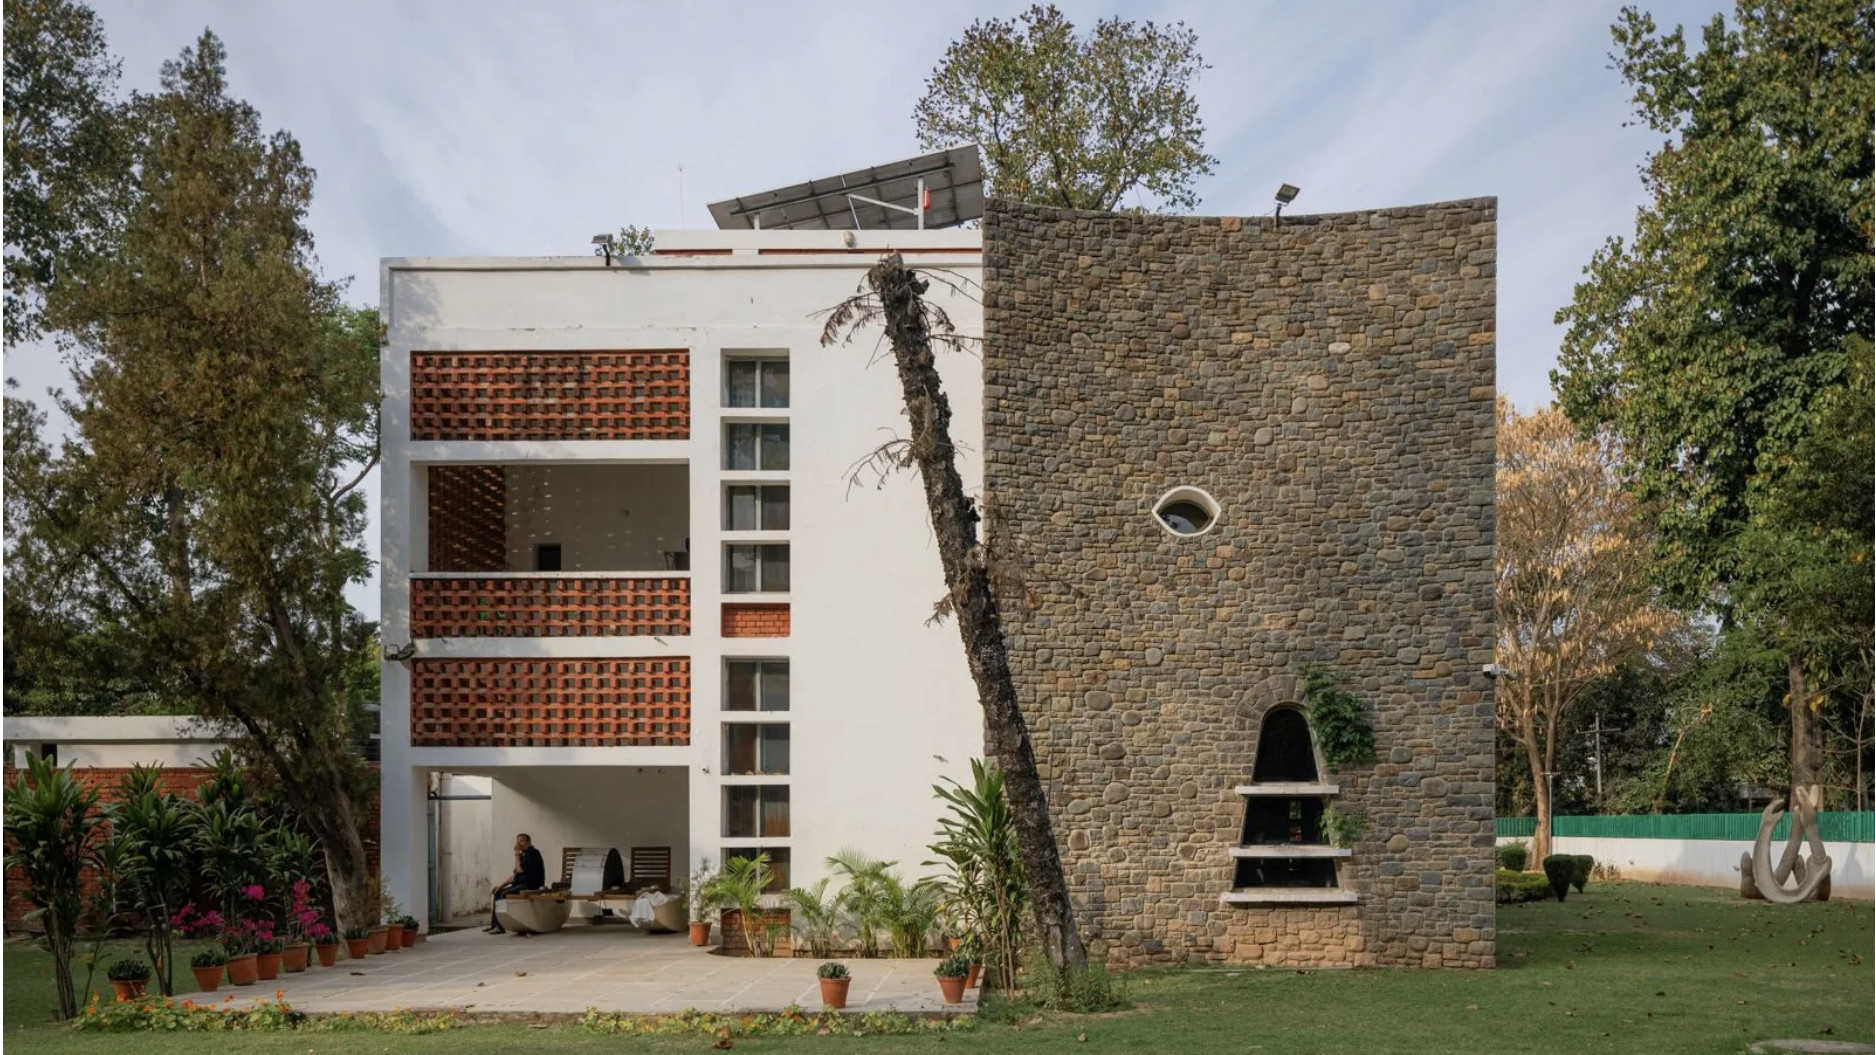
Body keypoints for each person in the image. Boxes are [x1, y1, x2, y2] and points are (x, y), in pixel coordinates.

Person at [486, 833, 547, 934]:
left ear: (529, 842)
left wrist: (516, 854)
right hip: (521, 884)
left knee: (503, 894)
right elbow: (515, 875)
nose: (519, 844)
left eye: (522, 841)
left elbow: (519, 870)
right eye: (518, 841)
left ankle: (500, 927)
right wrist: (501, 885)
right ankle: (495, 925)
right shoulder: (523, 855)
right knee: (497, 892)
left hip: (530, 885)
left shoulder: (533, 853)